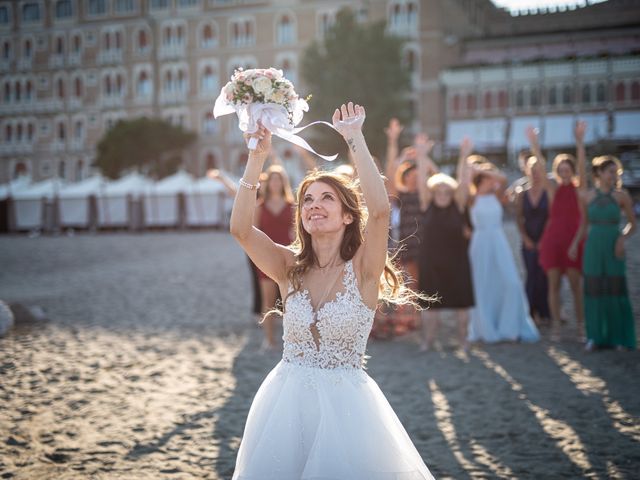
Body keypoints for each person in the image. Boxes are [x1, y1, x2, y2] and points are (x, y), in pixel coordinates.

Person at [229, 103, 434, 479]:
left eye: (327, 198)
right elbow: (241, 230)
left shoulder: (364, 269)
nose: (314, 205)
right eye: (307, 199)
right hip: (284, 405)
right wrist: (256, 158)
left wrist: (354, 137)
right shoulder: (288, 267)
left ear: (348, 215)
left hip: (348, 411)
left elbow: (381, 210)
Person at [467, 158, 540, 343]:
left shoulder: (497, 195)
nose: (494, 181)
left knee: (510, 283)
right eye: (489, 178)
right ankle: (486, 327)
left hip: (498, 242)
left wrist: (485, 171)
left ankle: (509, 327)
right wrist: (475, 172)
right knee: (482, 286)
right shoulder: (472, 198)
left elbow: (503, 177)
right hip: (480, 243)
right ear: (481, 180)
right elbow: (463, 184)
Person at [527, 123, 587, 333]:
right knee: (553, 286)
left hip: (573, 240)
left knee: (575, 286)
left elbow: (582, 167)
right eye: (560, 170)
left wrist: (579, 142)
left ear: (572, 171)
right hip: (554, 240)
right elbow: (542, 171)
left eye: (567, 170)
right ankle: (556, 327)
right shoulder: (553, 189)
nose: (564, 173)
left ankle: (580, 326)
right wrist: (535, 144)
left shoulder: (579, 191)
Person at [416, 135, 474, 351]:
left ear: (452, 192)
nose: (442, 194)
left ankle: (463, 341)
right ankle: (428, 341)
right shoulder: (426, 204)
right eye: (438, 190)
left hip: (457, 261)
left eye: (446, 191)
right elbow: (422, 181)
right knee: (429, 305)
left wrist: (464, 155)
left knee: (462, 303)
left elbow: (464, 181)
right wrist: (422, 156)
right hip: (431, 262)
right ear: (432, 192)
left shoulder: (458, 204)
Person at [582, 155, 636, 350]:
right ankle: (594, 337)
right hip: (594, 245)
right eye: (610, 171)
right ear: (599, 173)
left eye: (616, 172)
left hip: (614, 244)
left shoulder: (621, 196)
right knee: (594, 289)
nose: (614, 175)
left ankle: (618, 337)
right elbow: (583, 225)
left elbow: (632, 224)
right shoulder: (587, 196)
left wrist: (622, 238)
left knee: (615, 289)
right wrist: (574, 245)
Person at [207, 168, 262, 320]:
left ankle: (276, 309)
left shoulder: (275, 197)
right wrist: (222, 179)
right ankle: (259, 310)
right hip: (254, 243)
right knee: (257, 278)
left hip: (275, 239)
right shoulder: (252, 194)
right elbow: (235, 192)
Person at [254, 164, 295, 350]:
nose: (276, 183)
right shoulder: (259, 207)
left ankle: (293, 342)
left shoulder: (291, 205)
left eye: (279, 179)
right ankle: (269, 340)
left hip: (288, 256)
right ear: (268, 183)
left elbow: (296, 232)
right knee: (268, 301)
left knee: (291, 301)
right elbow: (252, 233)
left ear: (283, 183)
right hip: (266, 258)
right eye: (273, 179)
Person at [514, 155, 551, 326]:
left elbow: (551, 218)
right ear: (527, 171)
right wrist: (525, 238)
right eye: (533, 171)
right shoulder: (522, 193)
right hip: (528, 239)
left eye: (539, 171)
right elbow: (518, 218)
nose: (536, 174)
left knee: (544, 275)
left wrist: (544, 239)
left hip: (545, 239)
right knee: (531, 275)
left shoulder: (547, 193)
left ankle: (545, 312)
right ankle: (529, 311)